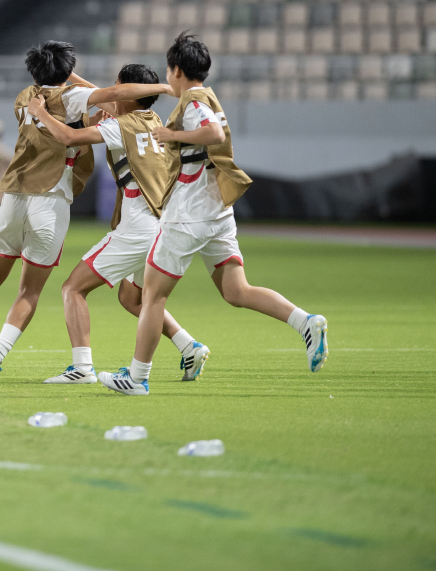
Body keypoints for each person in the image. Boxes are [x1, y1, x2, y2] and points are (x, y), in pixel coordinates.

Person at [98, 32, 329, 396]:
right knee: (237, 290)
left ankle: (138, 378)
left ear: (176, 70)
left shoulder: (193, 102)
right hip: (217, 211)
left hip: (188, 214)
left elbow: (214, 132)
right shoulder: (205, 97)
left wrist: (171, 136)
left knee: (150, 297)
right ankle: (305, 322)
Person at [0, 41, 170, 383]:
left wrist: (82, 117)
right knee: (31, 290)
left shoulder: (24, 97)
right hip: (50, 199)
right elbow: (111, 94)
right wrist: (165, 87)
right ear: (67, 72)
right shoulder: (72, 97)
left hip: (13, 195)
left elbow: (57, 119)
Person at [24, 63, 209, 385]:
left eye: (119, 85)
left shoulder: (121, 126)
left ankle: (82, 368)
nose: (113, 89)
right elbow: (107, 96)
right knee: (132, 298)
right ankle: (188, 345)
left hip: (139, 228)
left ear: (131, 93)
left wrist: (40, 110)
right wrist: (69, 76)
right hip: (165, 228)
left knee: (73, 288)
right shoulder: (154, 120)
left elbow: (68, 136)